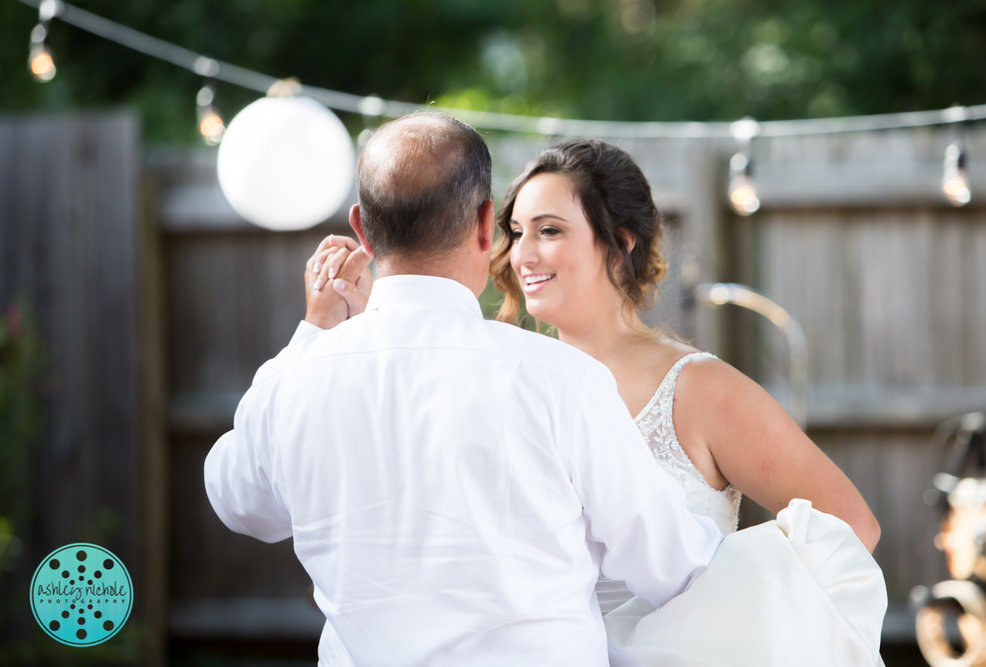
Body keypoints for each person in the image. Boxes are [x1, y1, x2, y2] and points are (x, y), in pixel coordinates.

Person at [310, 136, 888, 665]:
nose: (523, 254)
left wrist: (684, 636)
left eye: (551, 230)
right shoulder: (507, 379)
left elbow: (850, 528)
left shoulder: (699, 390)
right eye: (515, 231)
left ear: (621, 242)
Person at [204, 111, 724, 667]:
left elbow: (239, 503)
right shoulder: (561, 381)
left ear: (362, 227)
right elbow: (670, 563)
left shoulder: (294, 382)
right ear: (485, 223)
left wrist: (313, 336)